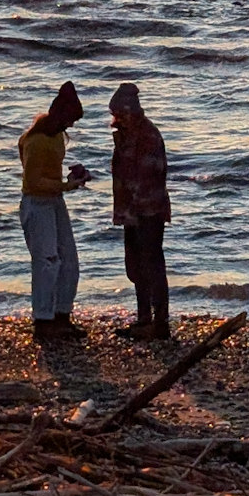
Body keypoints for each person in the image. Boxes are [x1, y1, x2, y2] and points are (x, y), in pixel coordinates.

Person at [19, 81, 91, 341]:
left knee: (68, 260)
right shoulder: (36, 141)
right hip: (37, 203)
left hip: (54, 201)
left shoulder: (57, 137)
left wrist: (72, 176)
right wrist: (65, 186)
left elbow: (48, 171)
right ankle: (43, 319)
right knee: (47, 261)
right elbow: (33, 182)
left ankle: (62, 314)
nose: (71, 126)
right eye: (70, 119)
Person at [109, 82, 172, 340]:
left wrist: (133, 207)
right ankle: (144, 319)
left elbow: (148, 178)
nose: (115, 120)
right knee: (135, 266)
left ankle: (159, 323)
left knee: (152, 265)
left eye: (118, 114)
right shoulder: (127, 135)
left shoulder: (148, 136)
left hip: (148, 212)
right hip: (132, 211)